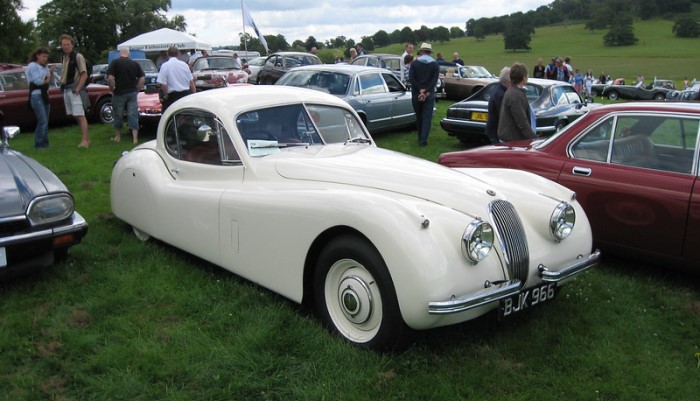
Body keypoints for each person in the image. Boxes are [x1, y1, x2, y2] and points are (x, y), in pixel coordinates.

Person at [107, 48, 145, 144]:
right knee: (133, 115)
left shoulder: (114, 63)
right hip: (132, 93)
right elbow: (142, 79)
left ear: (120, 53)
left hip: (119, 93)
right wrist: (137, 89)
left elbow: (110, 78)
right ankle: (135, 139)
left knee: (118, 115)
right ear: (128, 54)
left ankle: (118, 137)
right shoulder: (134, 64)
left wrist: (112, 89)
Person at [59, 34, 91, 148]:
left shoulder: (78, 56)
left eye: (68, 44)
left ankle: (85, 141)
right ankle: (86, 138)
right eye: (64, 45)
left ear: (72, 45)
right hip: (66, 88)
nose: (66, 47)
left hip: (75, 89)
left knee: (80, 115)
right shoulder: (63, 57)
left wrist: (78, 89)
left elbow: (84, 74)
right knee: (75, 115)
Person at [408, 43, 440, 147]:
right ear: (430, 52)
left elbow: (412, 79)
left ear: (421, 51)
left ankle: (420, 136)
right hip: (429, 94)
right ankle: (423, 140)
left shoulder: (414, 64)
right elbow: (434, 81)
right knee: (427, 117)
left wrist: (420, 90)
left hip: (416, 93)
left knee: (419, 116)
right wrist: (426, 91)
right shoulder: (435, 64)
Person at [498, 62, 536, 142]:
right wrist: (533, 139)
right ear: (524, 77)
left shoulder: (513, 91)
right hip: (513, 141)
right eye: (527, 75)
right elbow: (522, 121)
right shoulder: (516, 95)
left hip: (511, 139)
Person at [26, 47, 55, 149]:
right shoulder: (33, 66)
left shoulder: (45, 67)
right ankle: (38, 144)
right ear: (37, 55)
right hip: (36, 95)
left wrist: (50, 74)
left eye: (46, 57)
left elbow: (48, 80)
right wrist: (45, 80)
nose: (45, 59)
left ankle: (45, 143)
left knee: (45, 120)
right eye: (43, 56)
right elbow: (37, 81)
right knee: (42, 119)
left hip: (44, 94)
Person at [157, 46, 196, 111]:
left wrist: (166, 95)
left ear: (168, 54)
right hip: (185, 95)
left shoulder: (165, 66)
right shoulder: (184, 65)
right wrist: (194, 95)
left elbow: (163, 84)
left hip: (172, 96)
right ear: (177, 54)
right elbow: (191, 82)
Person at [485, 66, 511, 144]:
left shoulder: (499, 89)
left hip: (494, 130)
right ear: (507, 80)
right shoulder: (501, 94)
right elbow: (503, 115)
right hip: (496, 132)